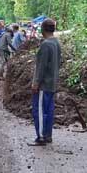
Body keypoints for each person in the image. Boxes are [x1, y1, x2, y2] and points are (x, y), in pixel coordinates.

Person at [29, 18, 61, 146]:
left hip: (44, 84)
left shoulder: (46, 44)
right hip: (52, 82)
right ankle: (48, 135)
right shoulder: (56, 43)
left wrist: (36, 83)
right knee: (49, 111)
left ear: (43, 29)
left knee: (40, 111)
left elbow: (41, 66)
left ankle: (41, 137)